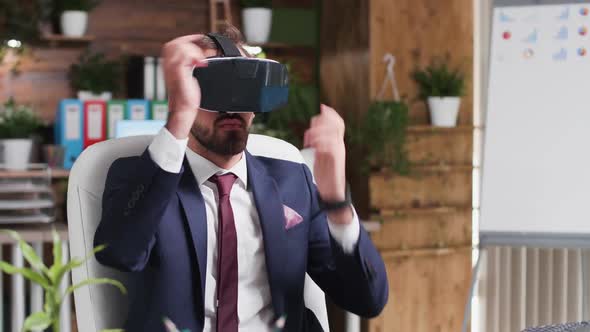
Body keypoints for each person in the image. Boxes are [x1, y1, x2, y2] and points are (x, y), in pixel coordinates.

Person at [94, 25, 388, 332]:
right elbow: (119, 252)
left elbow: (368, 300)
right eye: (212, 87)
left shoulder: (292, 181)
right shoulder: (142, 175)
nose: (230, 106)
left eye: (243, 87)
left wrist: (337, 203)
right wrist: (180, 115)